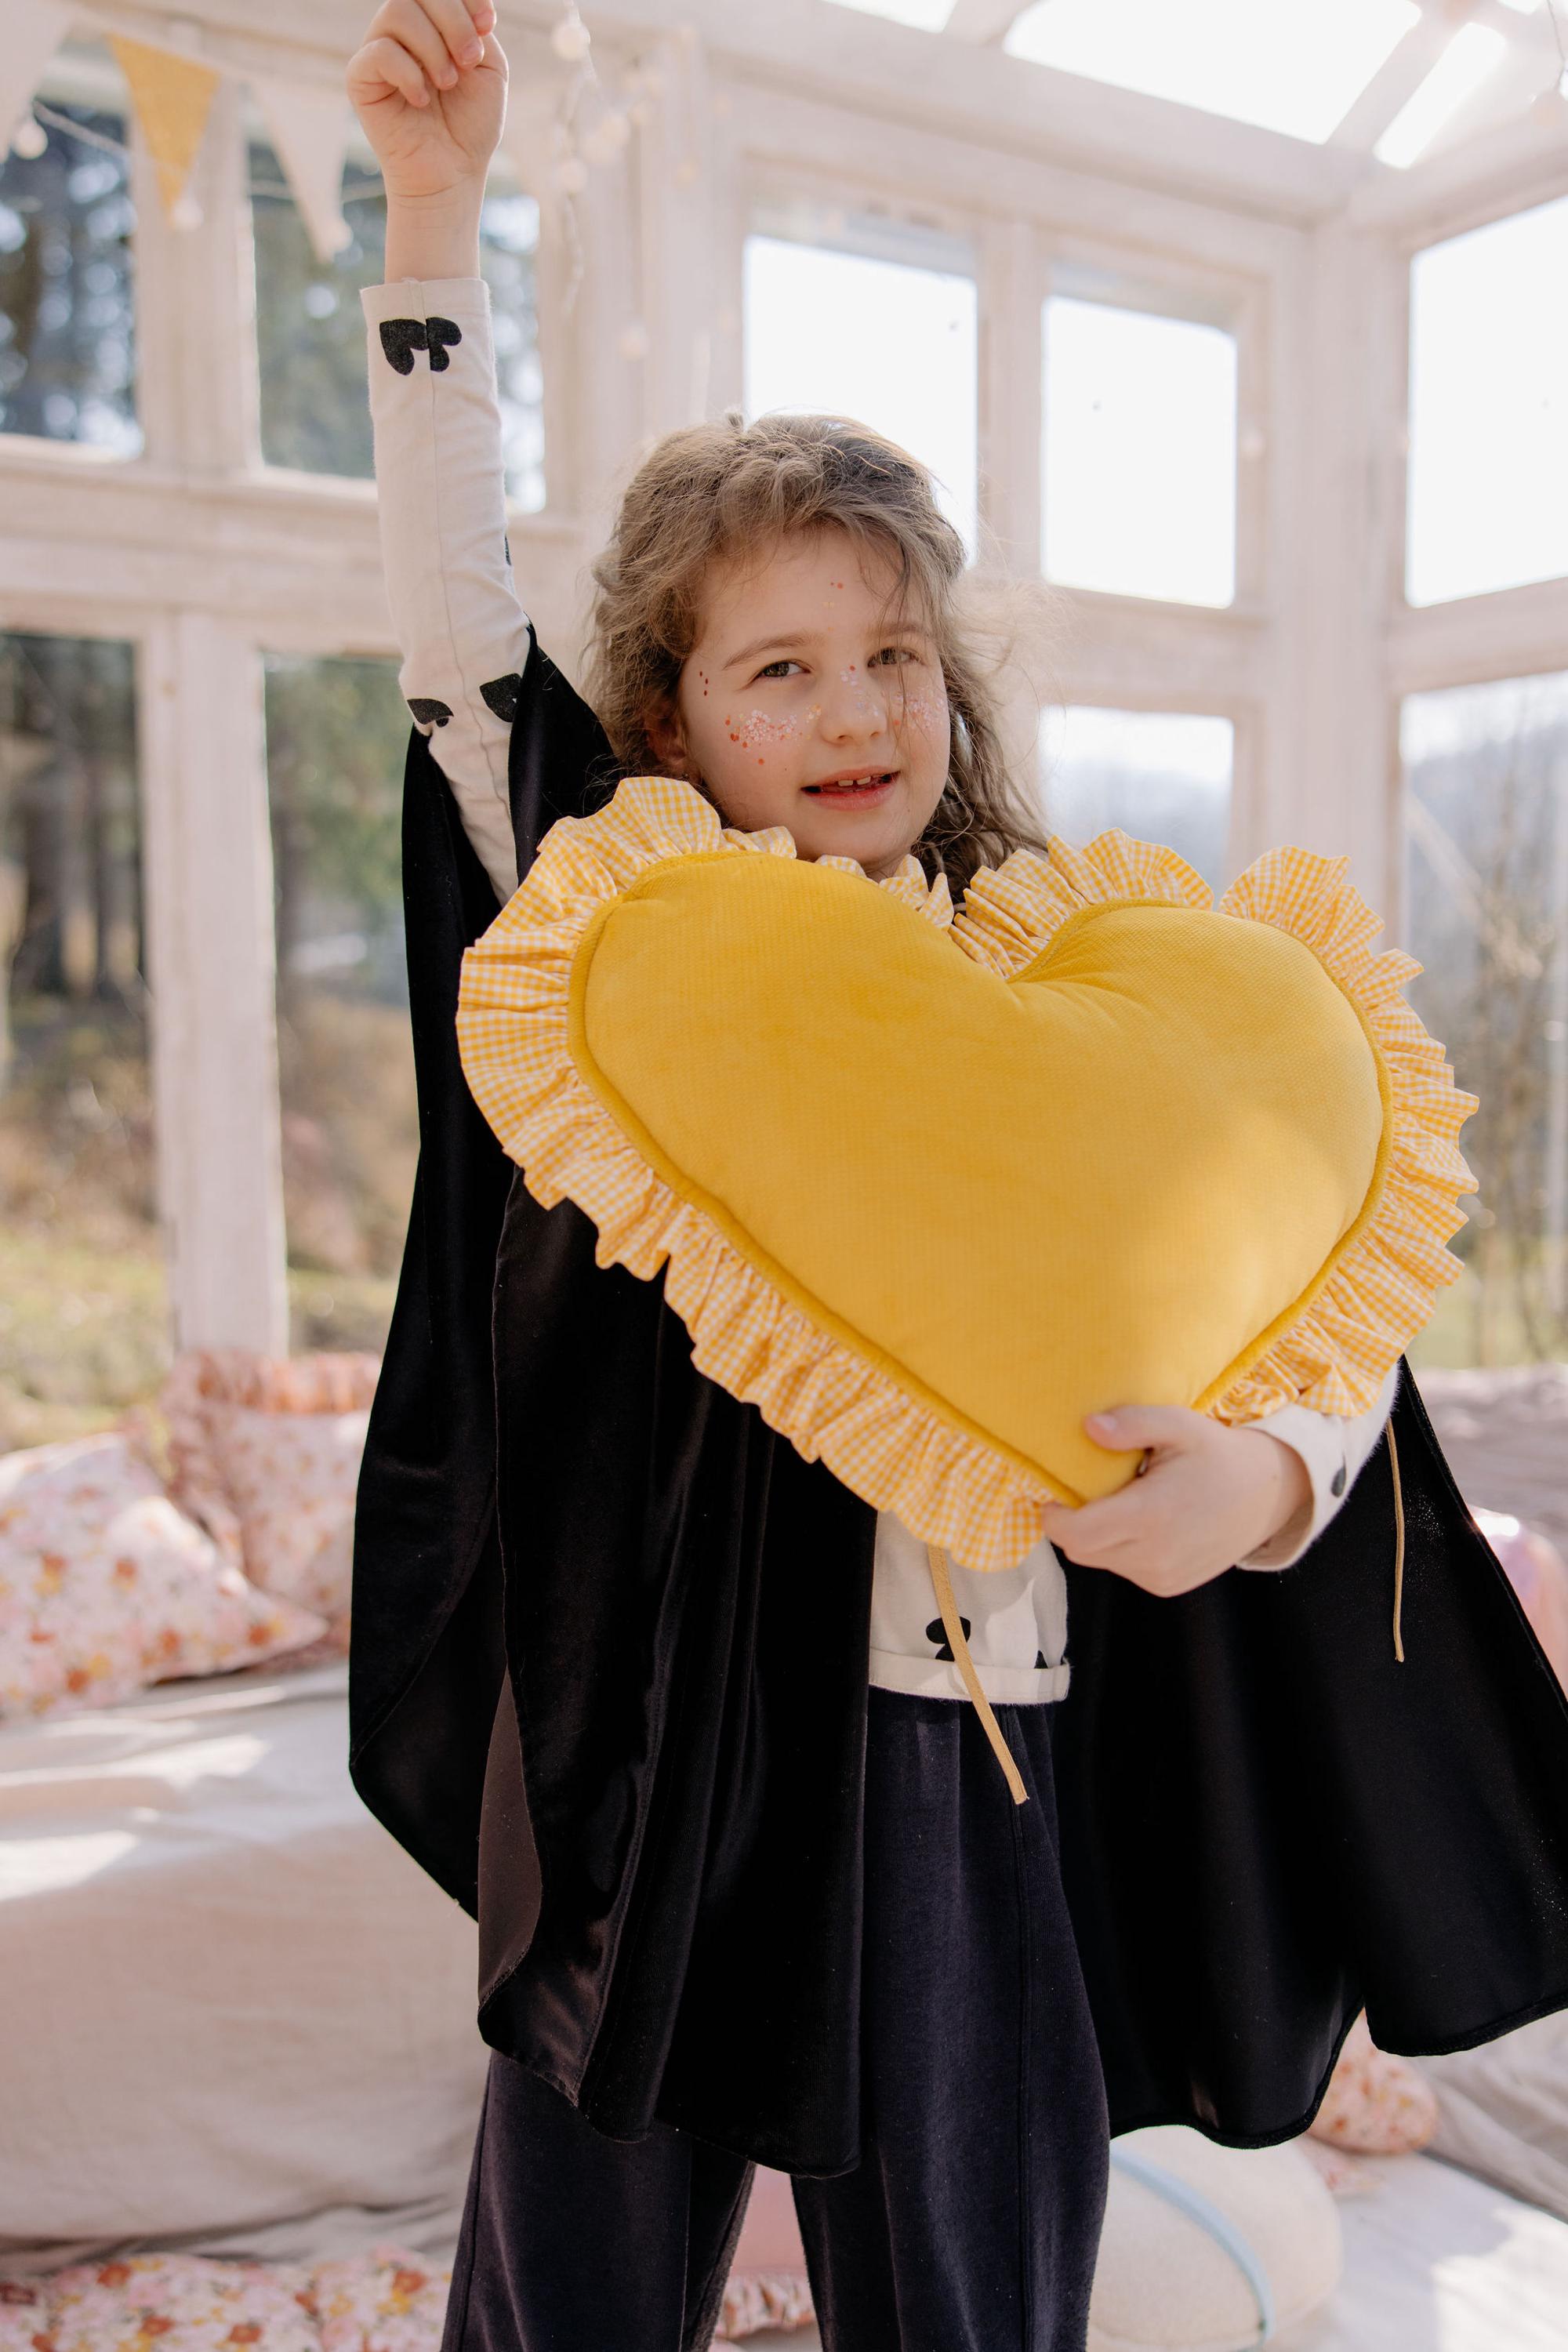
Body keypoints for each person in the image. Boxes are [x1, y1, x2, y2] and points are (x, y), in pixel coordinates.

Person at [343, 9, 1568, 2350]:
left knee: (981, 2291)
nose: (855, 714)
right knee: (569, 2293)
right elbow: (446, 639)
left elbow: (1314, 1292)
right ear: (669, 727)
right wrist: (429, 217)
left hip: (976, 1771)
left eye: (892, 651)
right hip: (663, 1768)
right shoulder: (630, 950)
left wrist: (1282, 1483)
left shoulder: (1104, 990)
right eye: (778, 669)